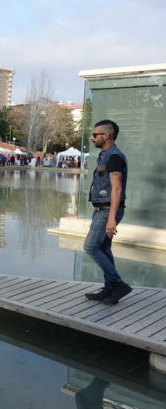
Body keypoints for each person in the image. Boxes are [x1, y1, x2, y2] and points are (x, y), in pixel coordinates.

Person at [83, 120, 132, 305]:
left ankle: (118, 284)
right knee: (103, 248)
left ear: (106, 136)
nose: (92, 138)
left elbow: (117, 189)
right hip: (102, 210)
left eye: (95, 134)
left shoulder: (114, 157)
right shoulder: (105, 155)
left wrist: (111, 218)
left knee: (90, 247)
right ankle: (110, 288)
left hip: (107, 211)